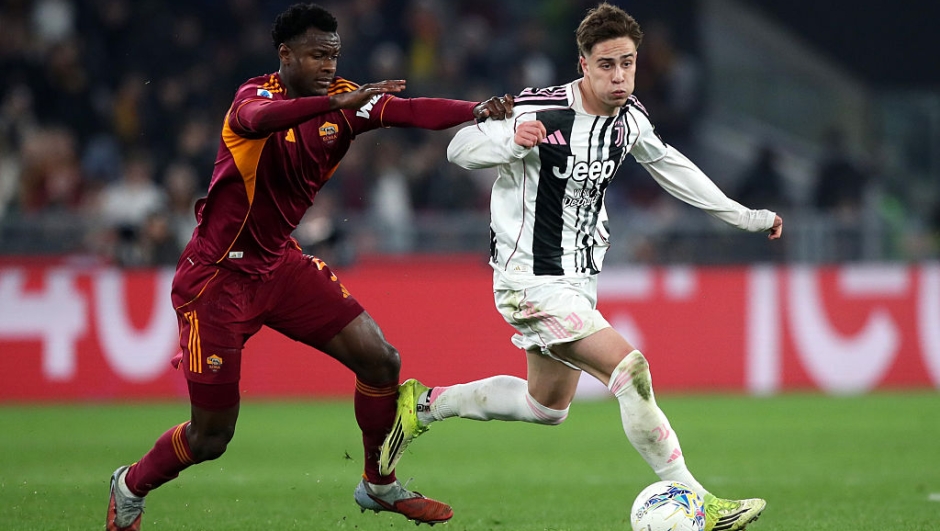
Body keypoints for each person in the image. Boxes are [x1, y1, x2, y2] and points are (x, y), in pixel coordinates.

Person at [105, 4, 513, 530]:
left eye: (334, 55)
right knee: (212, 437)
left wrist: (477, 110)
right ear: (286, 55)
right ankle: (130, 485)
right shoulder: (254, 100)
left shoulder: (346, 103)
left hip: (279, 265)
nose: (327, 65)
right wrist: (330, 100)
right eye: (317, 55)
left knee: (381, 361)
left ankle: (378, 484)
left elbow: (410, 112)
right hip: (218, 280)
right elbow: (256, 121)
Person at [379, 4, 782, 531]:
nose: (620, 76)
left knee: (546, 406)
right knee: (629, 369)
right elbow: (459, 147)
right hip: (530, 280)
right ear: (583, 65)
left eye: (629, 64)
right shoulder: (540, 109)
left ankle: (426, 404)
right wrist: (507, 138)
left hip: (577, 282)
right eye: (607, 65)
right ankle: (697, 499)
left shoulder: (630, 119)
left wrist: (744, 216)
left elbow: (672, 167)